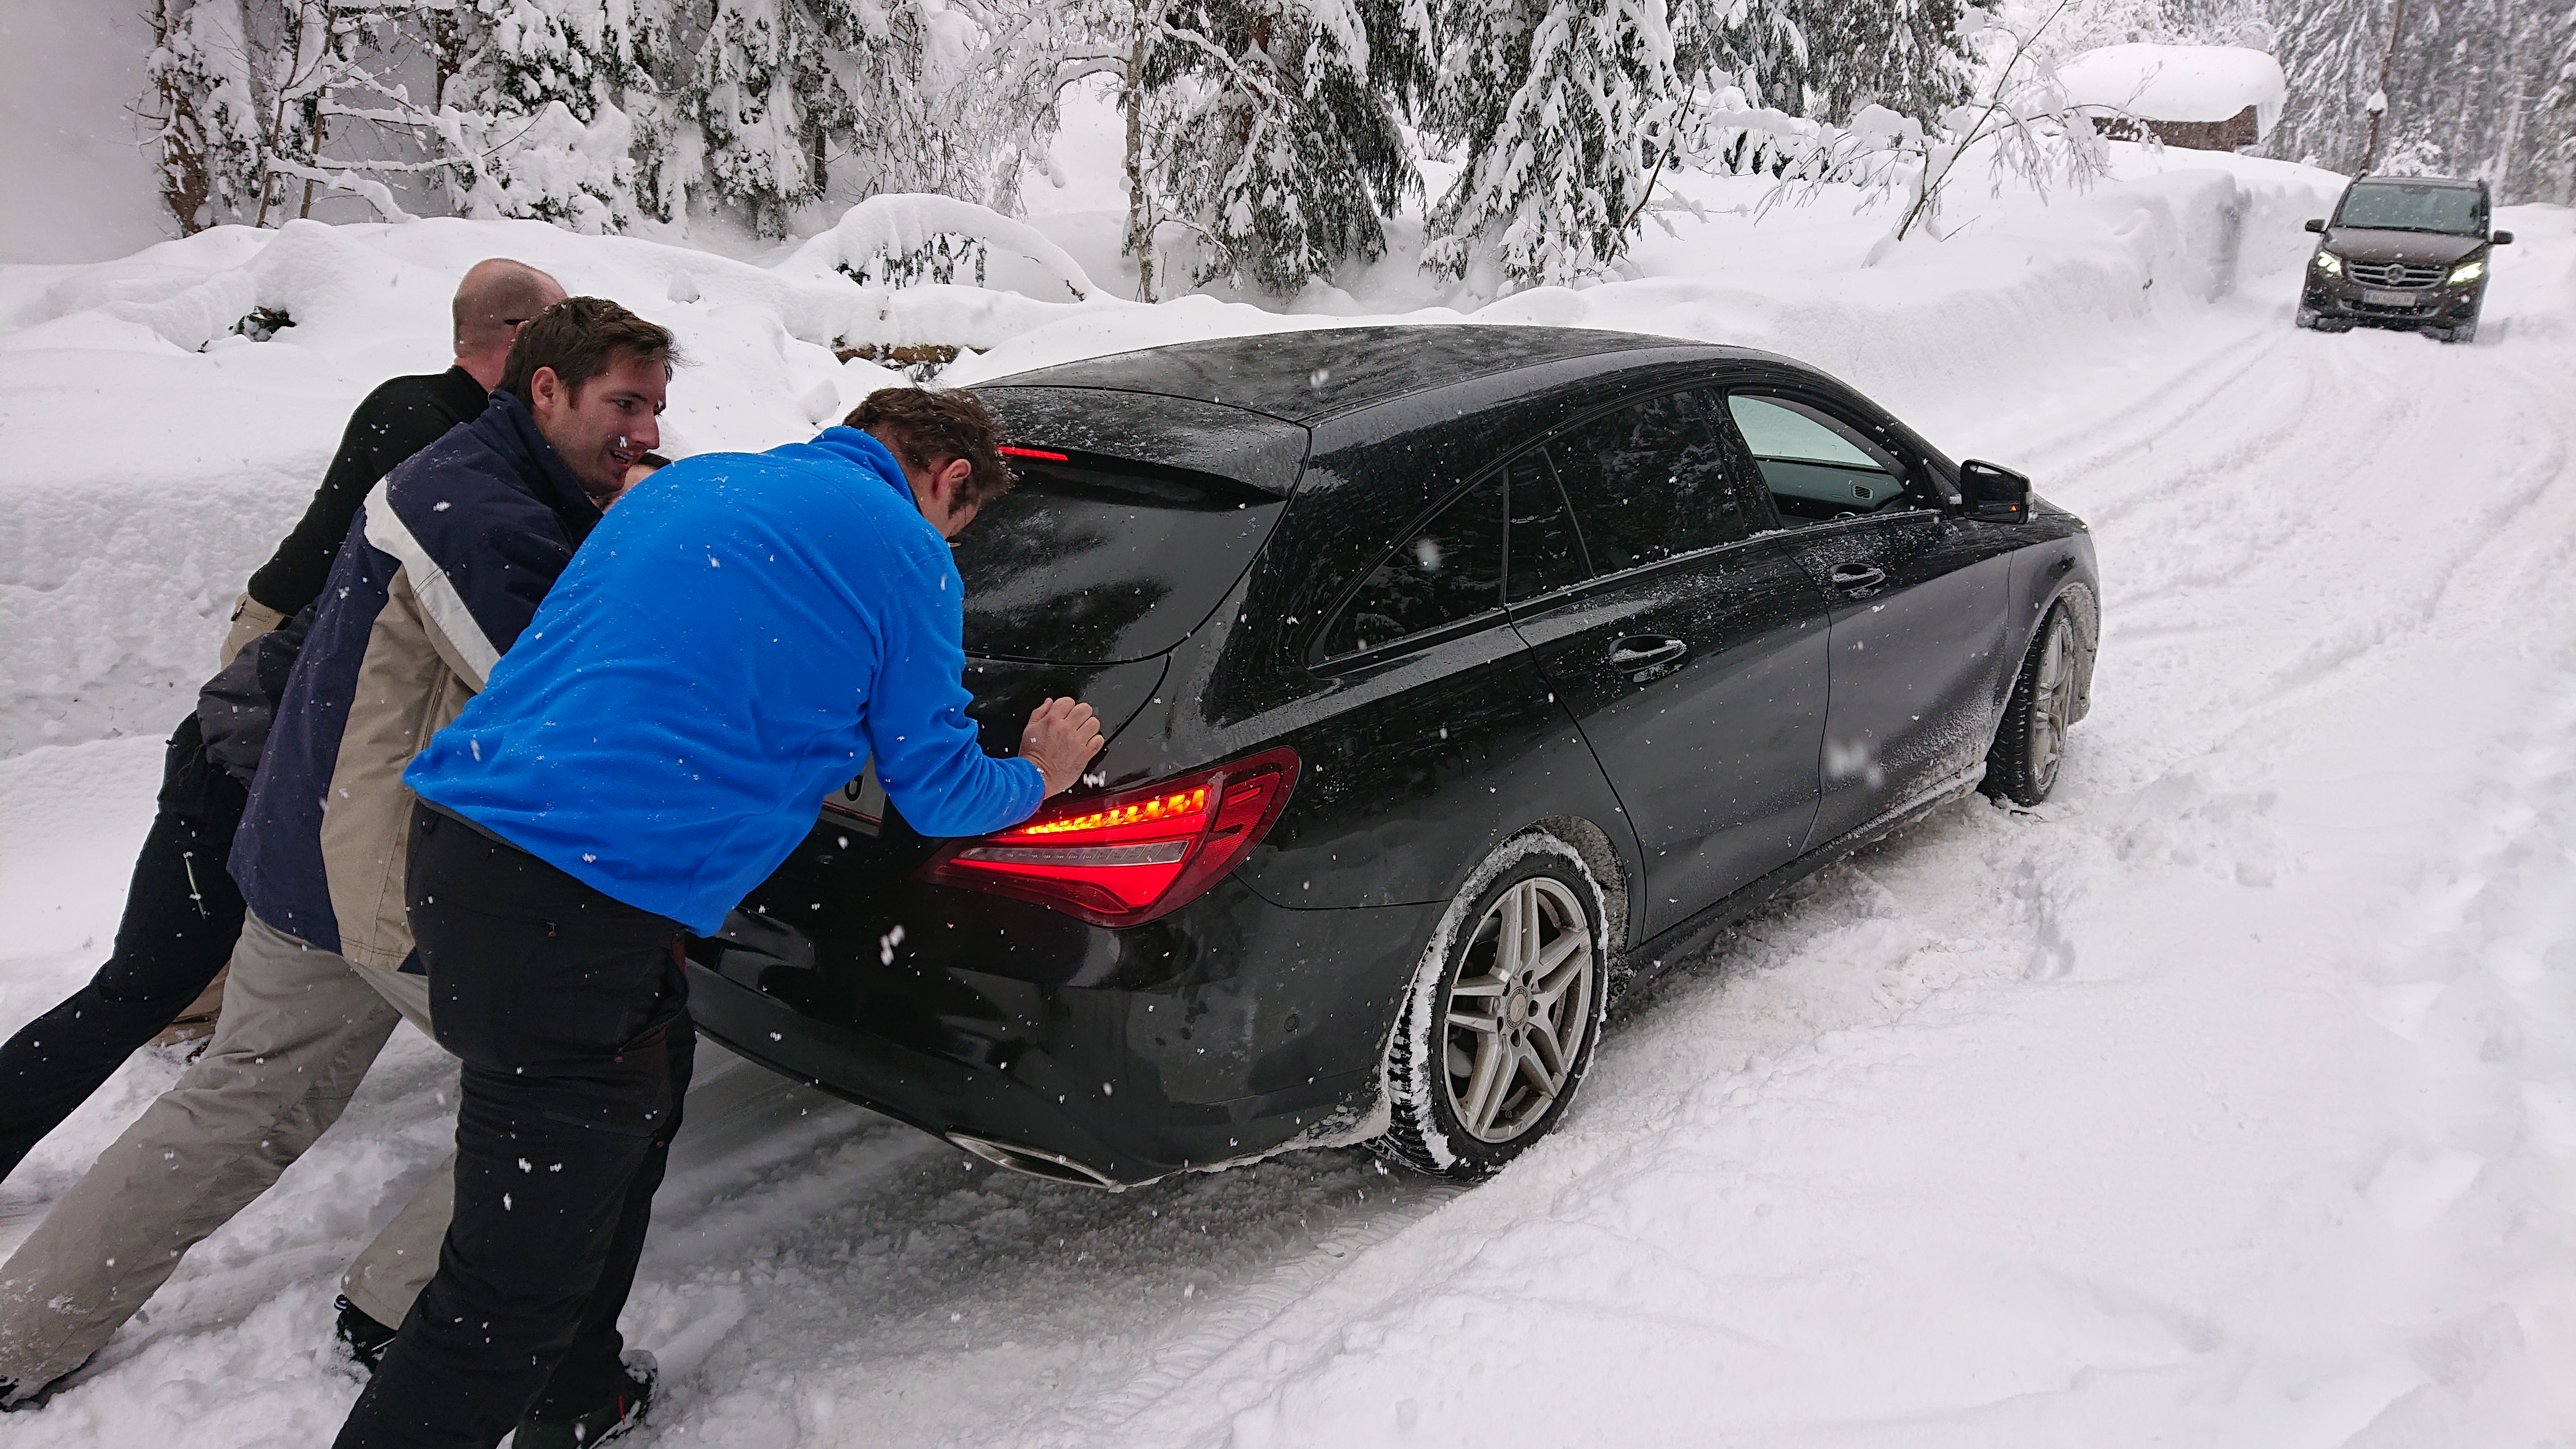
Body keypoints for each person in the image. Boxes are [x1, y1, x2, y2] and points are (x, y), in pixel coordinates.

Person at [334, 388, 1104, 1449]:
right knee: (505, 1296)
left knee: (636, 1115)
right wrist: (1039, 775)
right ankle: (522, 1387)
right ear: (950, 479)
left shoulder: (692, 485)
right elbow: (937, 790)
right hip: (574, 908)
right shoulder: (904, 549)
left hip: (470, 853)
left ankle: (578, 1395)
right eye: (958, 527)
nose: (949, 546)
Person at [0, 297, 672, 1424]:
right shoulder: (476, 511)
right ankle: (401, 1302)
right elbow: (560, 683)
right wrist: (640, 537)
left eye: (655, 408)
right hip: (392, 877)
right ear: (547, 389)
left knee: (240, 1100)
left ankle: (23, 1332)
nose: (645, 432)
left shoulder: (490, 476)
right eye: (625, 405)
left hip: (310, 849)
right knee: (589, 1087)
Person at [0, 258, 564, 1181]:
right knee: (180, 937)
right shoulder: (434, 426)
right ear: (516, 337)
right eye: (555, 332)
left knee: (241, 889)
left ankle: (214, 986)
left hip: (303, 666)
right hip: (280, 668)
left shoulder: (432, 415)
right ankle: (201, 996)